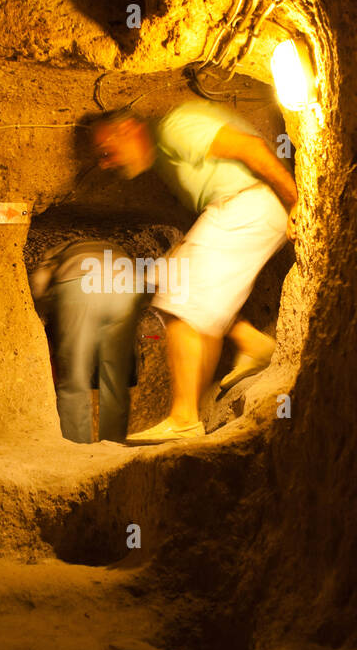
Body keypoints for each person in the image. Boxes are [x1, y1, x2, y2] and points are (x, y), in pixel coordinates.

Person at [87, 100, 298, 443]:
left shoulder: (175, 128)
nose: (105, 162)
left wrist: (295, 201)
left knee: (179, 289)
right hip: (245, 208)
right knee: (184, 286)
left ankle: (184, 417)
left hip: (251, 203)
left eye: (105, 149)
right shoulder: (167, 156)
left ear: (128, 129)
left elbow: (251, 147)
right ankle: (251, 343)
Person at [30, 237, 144, 443]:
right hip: (126, 282)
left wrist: (42, 313)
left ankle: (76, 449)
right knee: (115, 379)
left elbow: (38, 284)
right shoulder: (115, 247)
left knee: (74, 376)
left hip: (79, 281)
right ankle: (113, 448)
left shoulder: (58, 252)